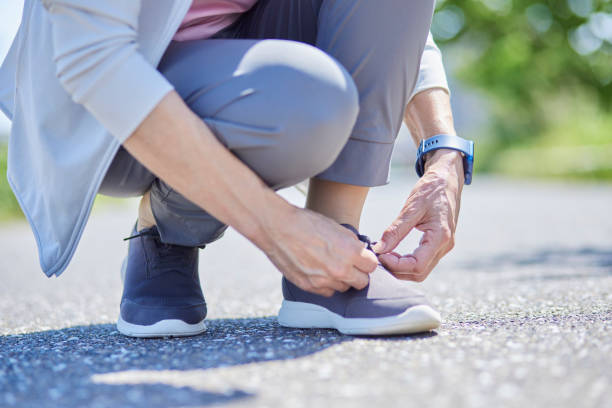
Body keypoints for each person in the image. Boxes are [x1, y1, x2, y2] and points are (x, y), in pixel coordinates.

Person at [0, 0, 473, 337]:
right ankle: (166, 229)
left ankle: (336, 251)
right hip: (103, 108)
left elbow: (385, 23)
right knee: (307, 98)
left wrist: (443, 151)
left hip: (245, 58)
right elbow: (93, 59)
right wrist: (278, 228)